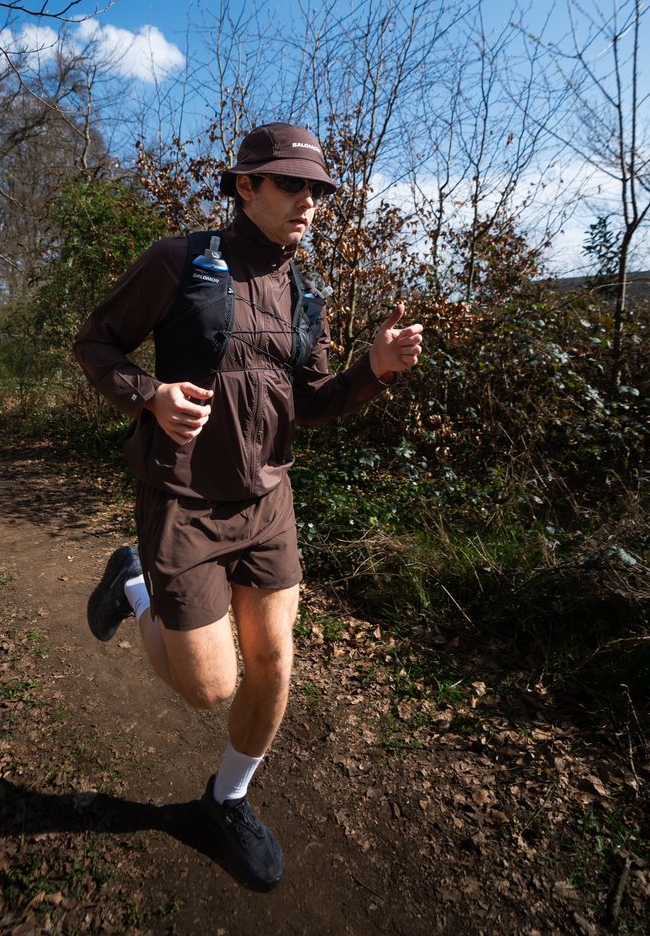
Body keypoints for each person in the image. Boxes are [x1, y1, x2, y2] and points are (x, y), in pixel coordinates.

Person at [73, 122, 423, 889]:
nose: (308, 201)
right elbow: (95, 342)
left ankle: (225, 801)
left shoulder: (304, 293)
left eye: (317, 190)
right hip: (184, 500)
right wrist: (149, 395)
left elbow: (310, 401)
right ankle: (133, 581)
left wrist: (372, 368)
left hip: (268, 500)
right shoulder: (178, 261)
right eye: (291, 184)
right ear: (245, 186)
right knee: (211, 687)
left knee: (274, 662)